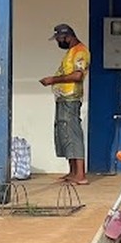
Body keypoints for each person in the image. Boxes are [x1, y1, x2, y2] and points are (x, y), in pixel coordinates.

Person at [40, 23, 90, 185]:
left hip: (71, 99)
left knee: (73, 133)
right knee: (64, 133)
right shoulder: (71, 52)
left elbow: (77, 76)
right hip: (62, 98)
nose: (58, 43)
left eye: (59, 39)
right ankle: (72, 172)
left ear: (67, 36)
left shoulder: (81, 52)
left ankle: (80, 175)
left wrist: (52, 80)